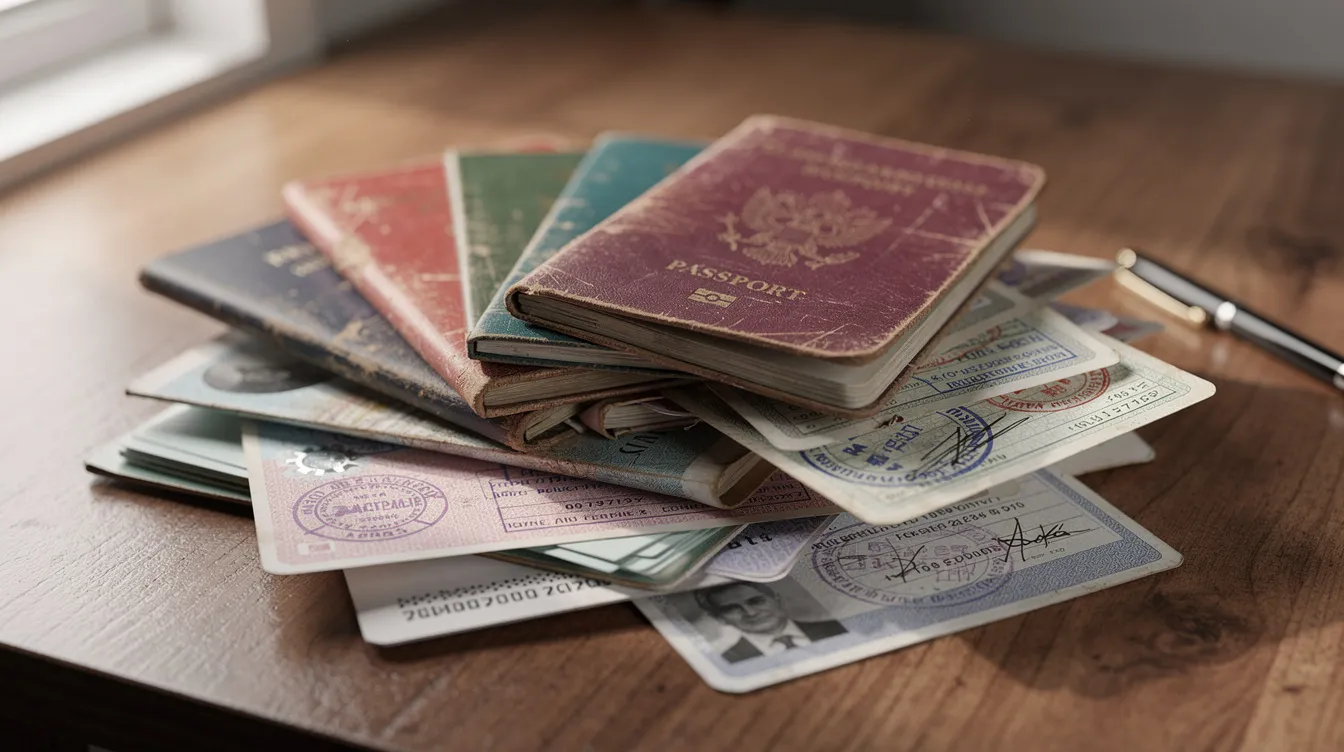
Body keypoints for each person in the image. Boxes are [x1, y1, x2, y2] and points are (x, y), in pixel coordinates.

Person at [693, 582, 846, 663]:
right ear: (717, 616)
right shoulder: (731, 659)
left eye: (756, 601)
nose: (750, 612)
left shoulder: (837, 627)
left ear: (777, 599)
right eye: (732, 608)